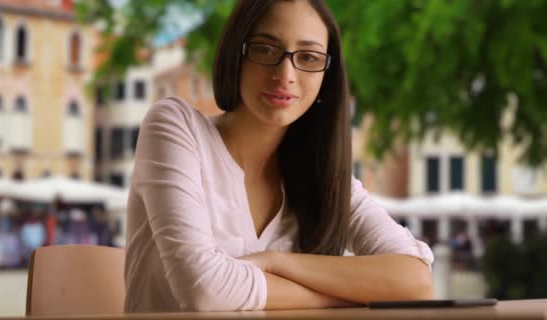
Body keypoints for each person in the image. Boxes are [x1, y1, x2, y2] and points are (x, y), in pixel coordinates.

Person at [125, 0, 434, 312]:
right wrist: (347, 296)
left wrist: (275, 262)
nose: (285, 74)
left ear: (326, 75)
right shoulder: (176, 126)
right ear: (237, 53)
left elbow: (415, 281)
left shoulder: (323, 177)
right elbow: (204, 289)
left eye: (309, 57)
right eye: (265, 49)